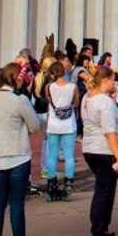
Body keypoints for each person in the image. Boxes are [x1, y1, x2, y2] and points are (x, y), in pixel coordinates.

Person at [0, 63, 41, 236]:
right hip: (17, 154)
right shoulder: (20, 100)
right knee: (17, 202)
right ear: (16, 78)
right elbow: (34, 125)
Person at [81, 66, 118, 236]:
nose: (115, 84)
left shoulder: (87, 97)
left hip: (90, 147)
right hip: (103, 149)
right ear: (105, 80)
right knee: (104, 190)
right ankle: (98, 231)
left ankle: (103, 225)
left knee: (105, 188)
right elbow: (109, 132)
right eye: (113, 80)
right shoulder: (104, 102)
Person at [42, 61, 77, 200]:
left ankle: (51, 184)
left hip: (53, 124)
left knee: (52, 156)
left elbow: (48, 103)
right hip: (68, 124)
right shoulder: (72, 87)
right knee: (69, 156)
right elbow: (76, 103)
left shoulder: (49, 87)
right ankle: (68, 183)